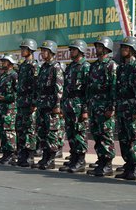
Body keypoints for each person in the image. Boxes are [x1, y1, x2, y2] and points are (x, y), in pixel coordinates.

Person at [114, 36, 136, 180]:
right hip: (122, 106)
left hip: (133, 107)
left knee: (134, 137)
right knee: (124, 138)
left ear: (133, 50)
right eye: (123, 47)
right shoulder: (121, 67)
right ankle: (129, 164)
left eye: (127, 48)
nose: (124, 50)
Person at [86, 36, 117, 177]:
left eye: (99, 46)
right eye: (96, 46)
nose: (97, 49)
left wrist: (111, 107)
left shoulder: (111, 65)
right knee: (97, 135)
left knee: (106, 135)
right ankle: (101, 160)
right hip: (94, 105)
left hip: (105, 106)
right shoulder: (94, 65)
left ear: (106, 48)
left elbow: (114, 87)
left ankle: (108, 164)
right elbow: (89, 87)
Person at [32, 40, 64, 170]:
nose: (42, 53)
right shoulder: (44, 67)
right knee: (42, 131)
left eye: (45, 51)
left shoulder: (56, 67)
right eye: (42, 50)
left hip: (51, 105)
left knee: (52, 132)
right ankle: (44, 157)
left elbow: (59, 88)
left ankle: (50, 159)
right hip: (42, 104)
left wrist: (57, 105)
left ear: (51, 52)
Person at [59, 39, 90, 173]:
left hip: (79, 104)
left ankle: (80, 161)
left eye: (73, 49)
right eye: (71, 49)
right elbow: (65, 88)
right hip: (69, 104)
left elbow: (87, 91)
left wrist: (85, 110)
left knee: (79, 133)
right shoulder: (71, 67)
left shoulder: (86, 67)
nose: (71, 51)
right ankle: (74, 158)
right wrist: (62, 105)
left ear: (80, 51)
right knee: (70, 133)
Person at [14, 38, 39, 167]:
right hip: (21, 102)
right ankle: (22, 153)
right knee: (21, 128)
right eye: (22, 48)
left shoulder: (34, 65)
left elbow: (36, 86)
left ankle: (29, 155)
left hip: (29, 102)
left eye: (24, 49)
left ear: (30, 50)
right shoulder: (23, 65)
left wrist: (34, 103)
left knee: (30, 129)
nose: (22, 51)